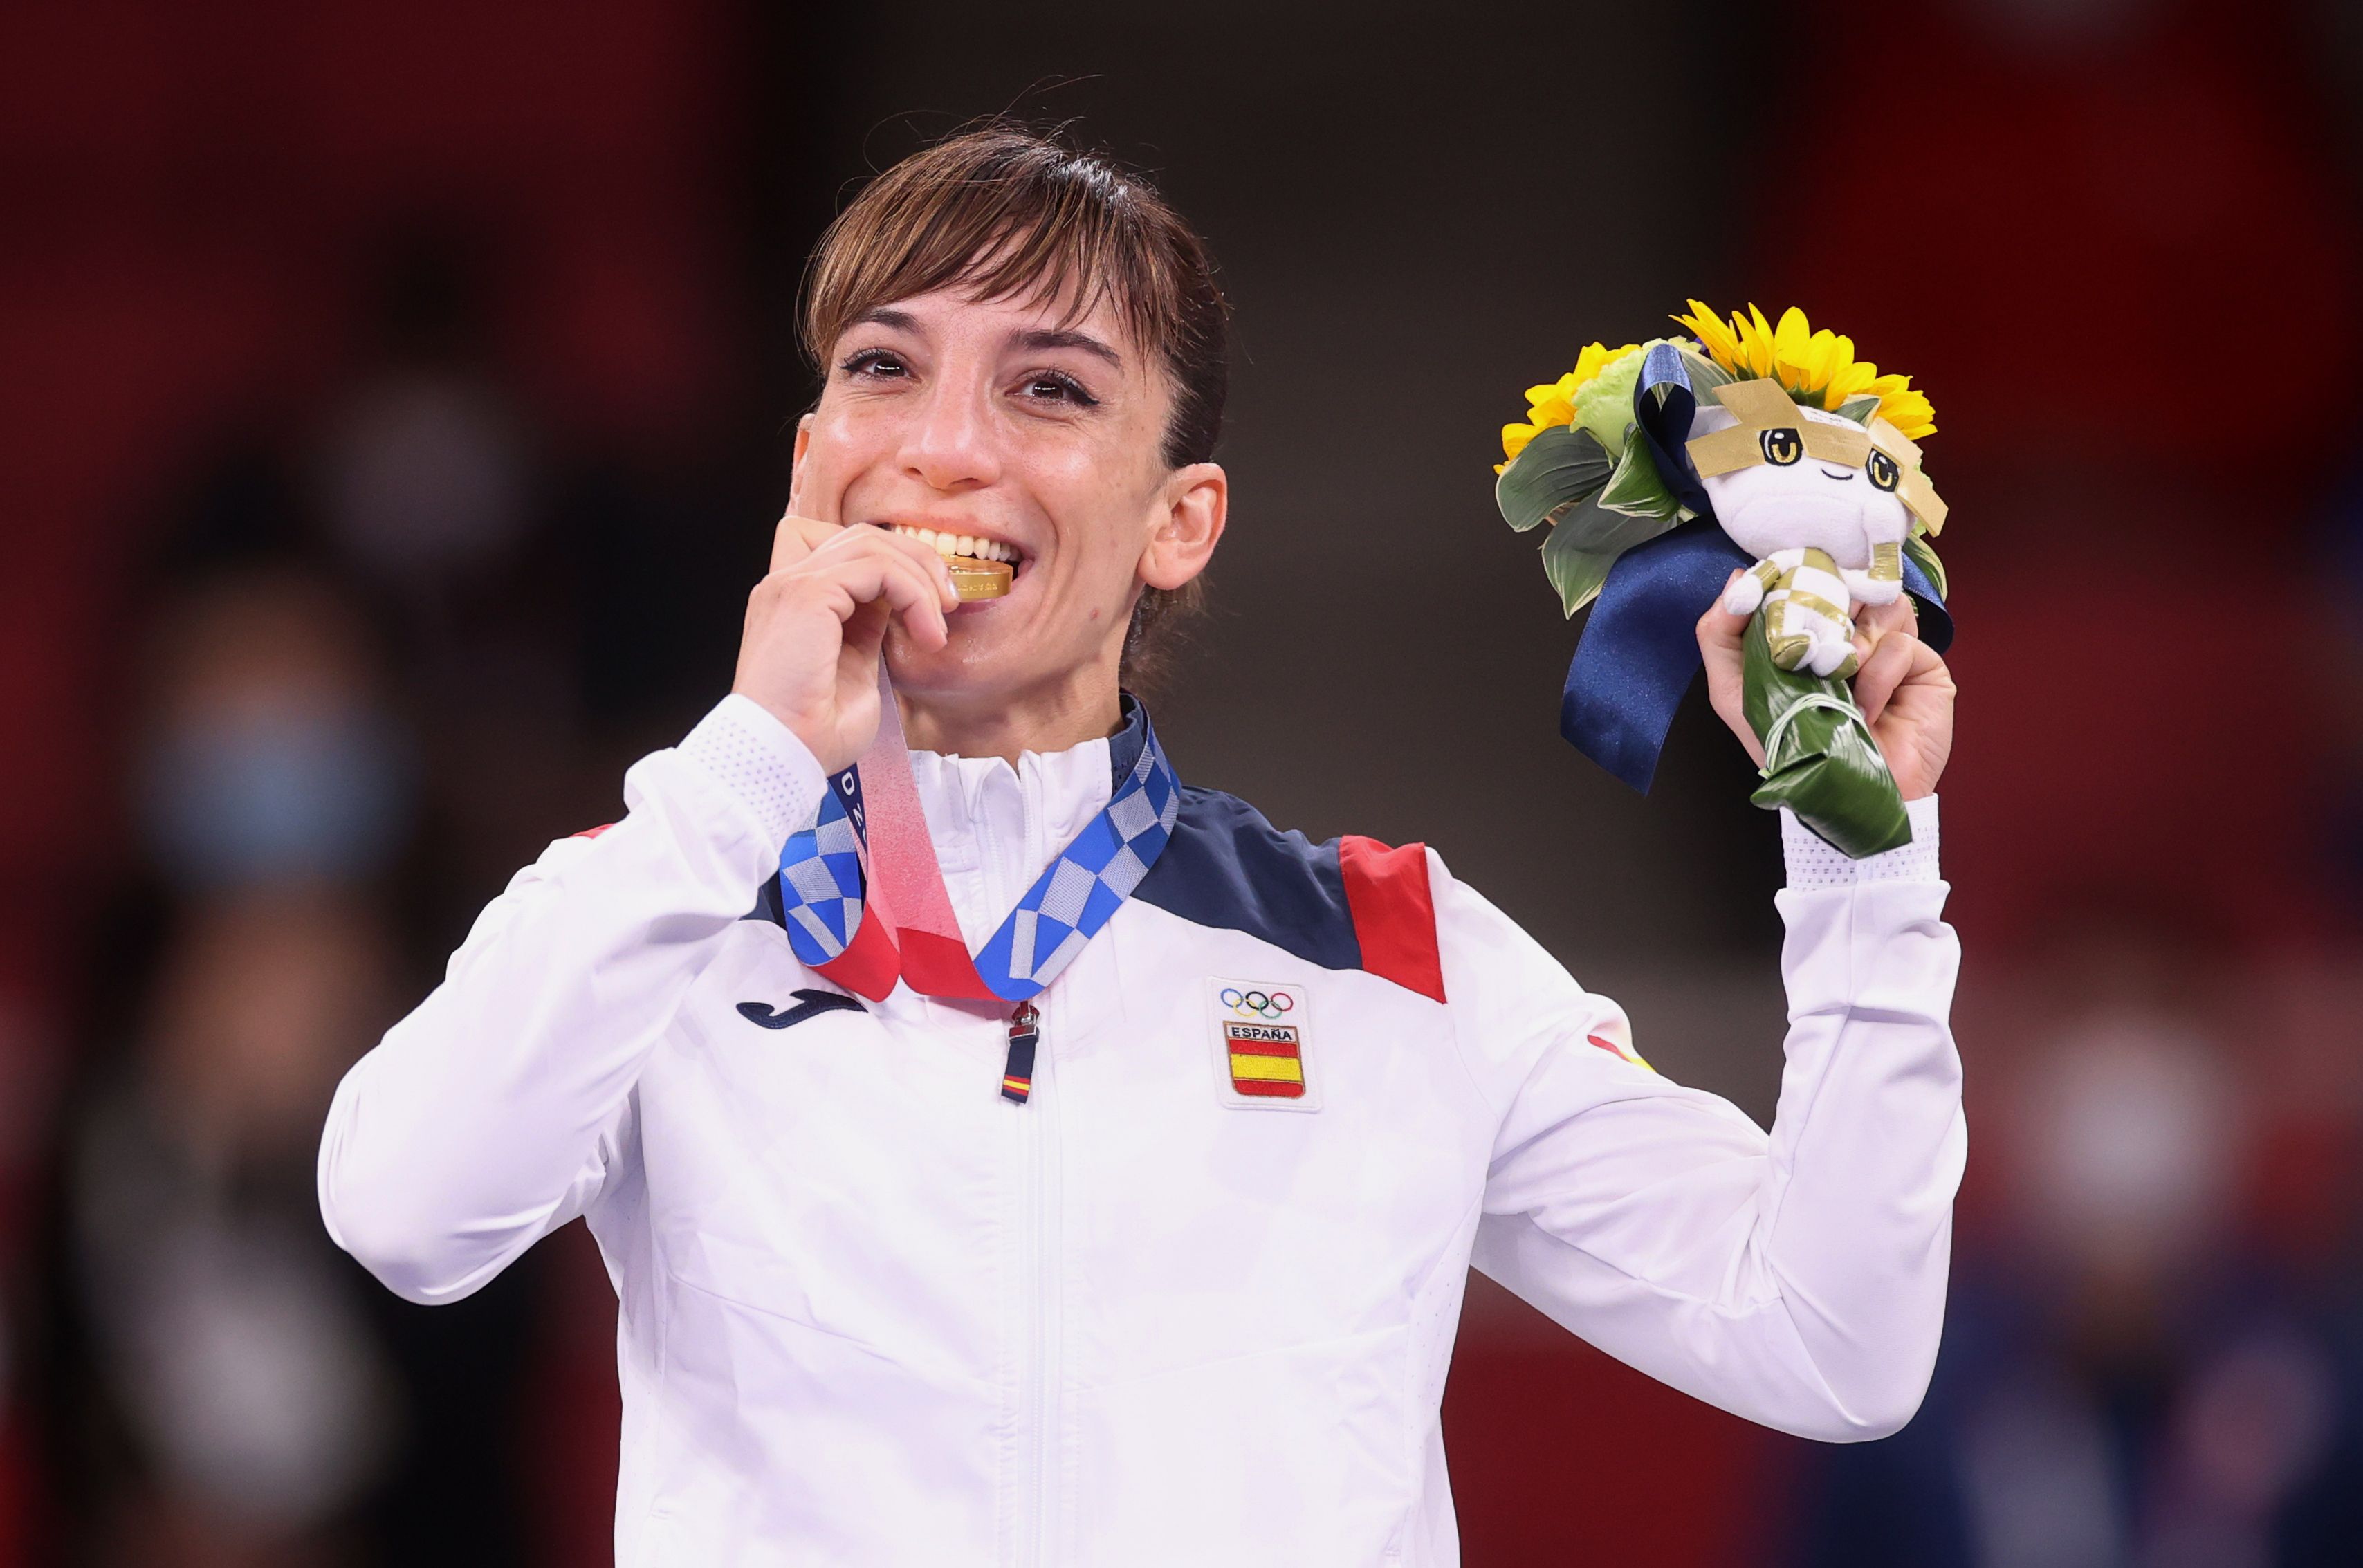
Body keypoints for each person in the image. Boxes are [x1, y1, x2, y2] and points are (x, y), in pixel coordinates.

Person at [317, 127, 1964, 1567]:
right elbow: (404, 1211)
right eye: (883, 368)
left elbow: (1828, 1343)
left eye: (1047, 388)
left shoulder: (1388, 951)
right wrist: (746, 766)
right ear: (810, 460)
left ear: (1181, 522)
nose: (945, 445)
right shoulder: (669, 893)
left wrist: (1861, 872)